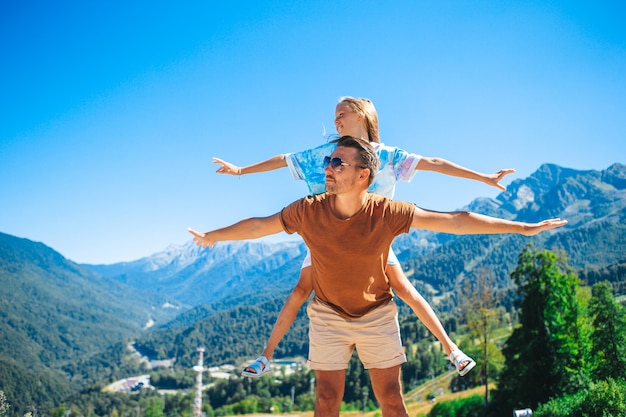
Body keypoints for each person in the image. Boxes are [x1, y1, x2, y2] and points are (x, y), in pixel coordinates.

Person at [190, 136, 567, 417]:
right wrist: (213, 236)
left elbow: (453, 221)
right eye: (328, 160)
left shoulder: (387, 212)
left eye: (338, 163)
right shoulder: (307, 210)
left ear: (363, 175)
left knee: (390, 399)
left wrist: (521, 227)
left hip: (377, 315)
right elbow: (259, 226)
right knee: (325, 400)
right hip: (327, 314)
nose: (327, 168)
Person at [213, 96, 515, 378]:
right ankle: (266, 355)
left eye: (340, 115)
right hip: (327, 240)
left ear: (360, 115)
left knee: (404, 288)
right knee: (300, 291)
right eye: (334, 118)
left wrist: (483, 177)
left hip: (373, 240)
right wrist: (240, 171)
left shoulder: (389, 156)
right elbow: (284, 159)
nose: (335, 122)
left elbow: (435, 163)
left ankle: (452, 350)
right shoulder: (327, 154)